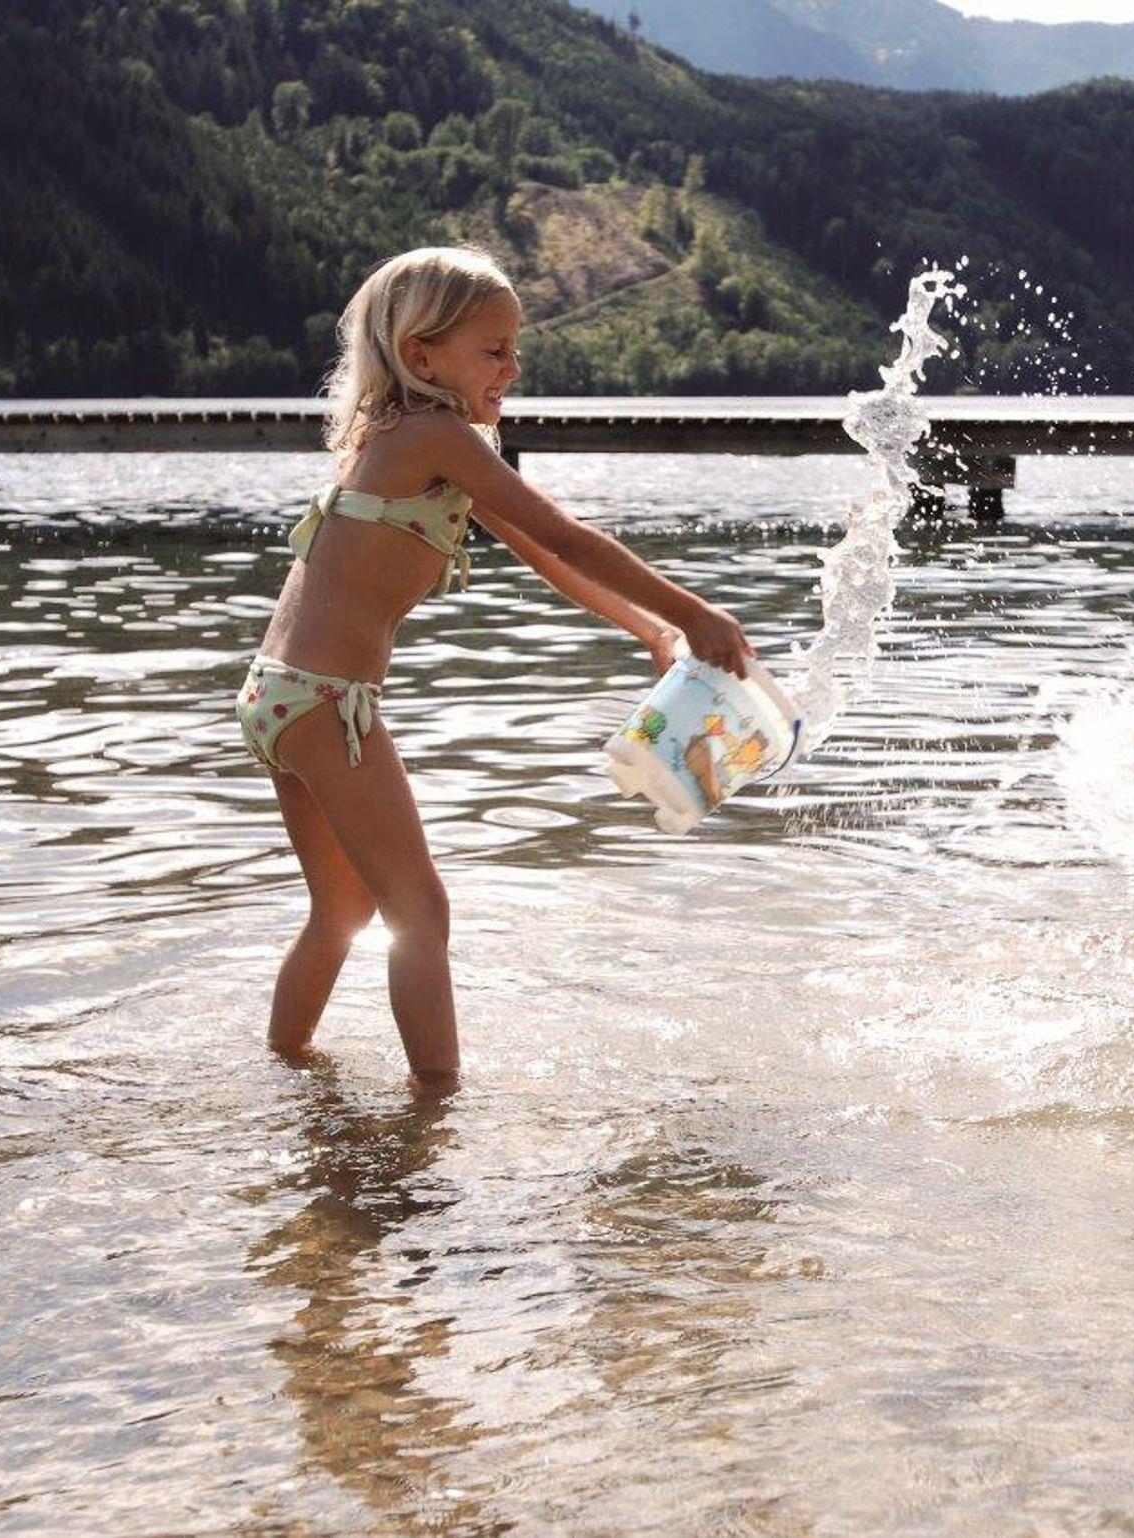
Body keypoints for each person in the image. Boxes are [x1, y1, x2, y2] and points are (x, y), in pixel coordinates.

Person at [238, 246, 754, 1083]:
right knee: (421, 911)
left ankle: (286, 1071)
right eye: (494, 351)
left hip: (278, 697)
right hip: (328, 705)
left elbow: (542, 555)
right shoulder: (433, 434)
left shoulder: (400, 435)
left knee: (342, 907)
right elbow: (566, 535)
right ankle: (435, 1106)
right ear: (421, 357)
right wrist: (695, 613)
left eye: (516, 350)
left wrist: (650, 630)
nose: (512, 368)